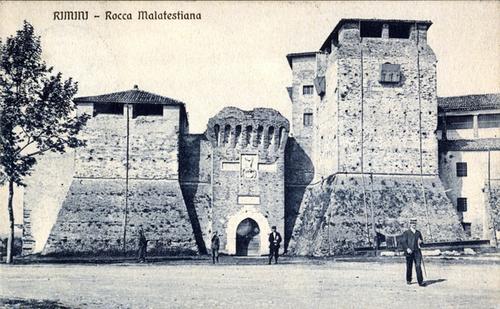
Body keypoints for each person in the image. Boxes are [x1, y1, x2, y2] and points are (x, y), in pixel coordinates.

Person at [401, 219, 425, 286]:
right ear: (410, 225)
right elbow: (403, 242)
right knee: (409, 266)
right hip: (409, 252)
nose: (414, 225)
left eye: (415, 224)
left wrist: (421, 242)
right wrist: (407, 248)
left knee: (418, 266)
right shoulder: (406, 233)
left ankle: (420, 281)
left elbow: (422, 243)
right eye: (412, 224)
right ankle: (408, 279)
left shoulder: (418, 233)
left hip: (417, 252)